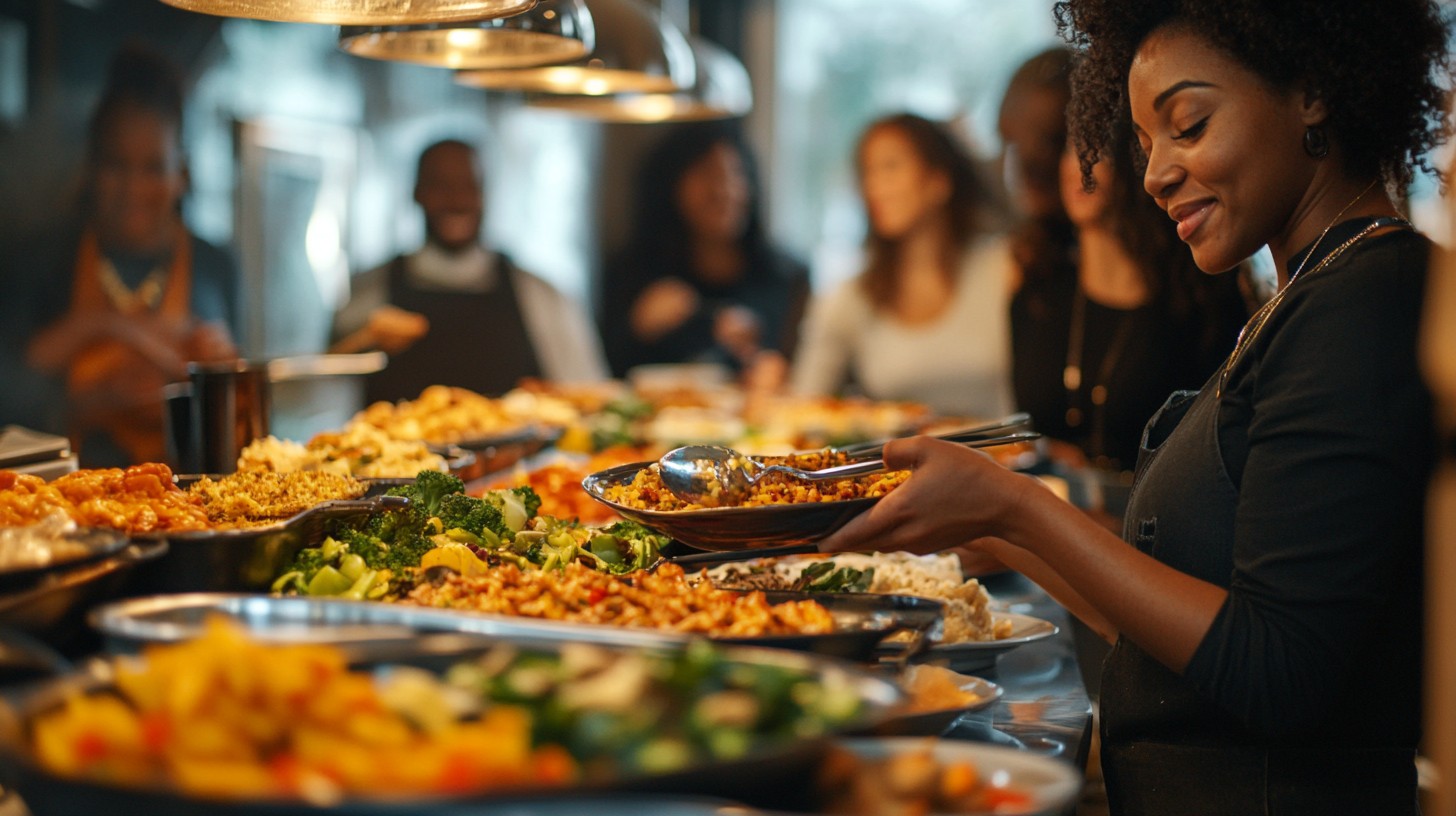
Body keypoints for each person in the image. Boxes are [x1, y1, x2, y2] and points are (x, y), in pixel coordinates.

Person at [822, 0, 1449, 812]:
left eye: (1188, 126)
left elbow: (1279, 672)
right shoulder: (1308, 294)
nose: (1152, 175)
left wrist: (1019, 505)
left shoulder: (1366, 300)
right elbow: (1186, 638)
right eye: (1147, 145)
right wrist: (1004, 532)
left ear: (1314, 90)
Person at [0, 46, 239, 468]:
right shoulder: (39, 257)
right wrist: (105, 335)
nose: (132, 189)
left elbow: (235, 425)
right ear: (91, 167)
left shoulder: (216, 268)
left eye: (153, 167)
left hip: (184, 507)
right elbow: (11, 395)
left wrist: (222, 374)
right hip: (56, 507)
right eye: (116, 165)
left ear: (180, 174)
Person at [1011, 123, 1249, 473]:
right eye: (1072, 149)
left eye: (1101, 152)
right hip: (1042, 509)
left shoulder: (1197, 301)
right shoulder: (1038, 296)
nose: (1082, 166)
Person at [332, 139, 608, 402]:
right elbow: (321, 390)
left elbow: (589, 394)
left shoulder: (541, 295)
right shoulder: (369, 292)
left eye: (469, 185)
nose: (456, 199)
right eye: (439, 185)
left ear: (485, 195)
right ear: (416, 193)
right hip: (394, 450)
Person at [791, 113, 1014, 419]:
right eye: (867, 173)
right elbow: (806, 405)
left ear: (939, 181)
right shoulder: (850, 296)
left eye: (890, 167)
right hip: (906, 466)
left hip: (1005, 461)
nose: (875, 187)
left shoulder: (1003, 269)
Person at [599, 120, 810, 377]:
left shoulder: (786, 277)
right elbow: (599, 373)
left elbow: (807, 372)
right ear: (671, 184)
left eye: (735, 173)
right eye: (708, 174)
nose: (724, 189)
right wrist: (638, 327)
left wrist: (760, 354)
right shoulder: (633, 273)